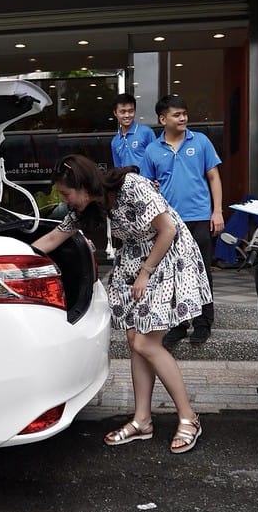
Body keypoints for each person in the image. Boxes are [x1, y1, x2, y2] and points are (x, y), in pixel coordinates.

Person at [31, 154, 212, 453]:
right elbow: (53, 239)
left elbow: (168, 230)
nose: (65, 200)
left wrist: (145, 273)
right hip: (135, 259)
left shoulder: (132, 185)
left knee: (146, 343)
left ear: (83, 186)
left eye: (66, 193)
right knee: (134, 340)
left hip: (166, 255)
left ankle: (189, 417)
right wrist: (12, 258)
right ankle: (142, 420)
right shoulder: (87, 208)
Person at [139, 95, 223, 346]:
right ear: (162, 119)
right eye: (177, 115)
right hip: (169, 222)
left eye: (184, 113)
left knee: (201, 271)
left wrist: (217, 211)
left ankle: (203, 324)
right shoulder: (152, 150)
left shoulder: (201, 141)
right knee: (173, 273)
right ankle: (178, 325)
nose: (183, 118)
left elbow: (214, 177)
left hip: (200, 217)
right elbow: (146, 186)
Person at [111, 93, 156, 169]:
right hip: (125, 177)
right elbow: (118, 168)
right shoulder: (115, 141)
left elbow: (156, 159)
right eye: (123, 112)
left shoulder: (146, 132)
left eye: (131, 111)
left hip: (144, 177)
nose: (127, 115)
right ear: (115, 113)